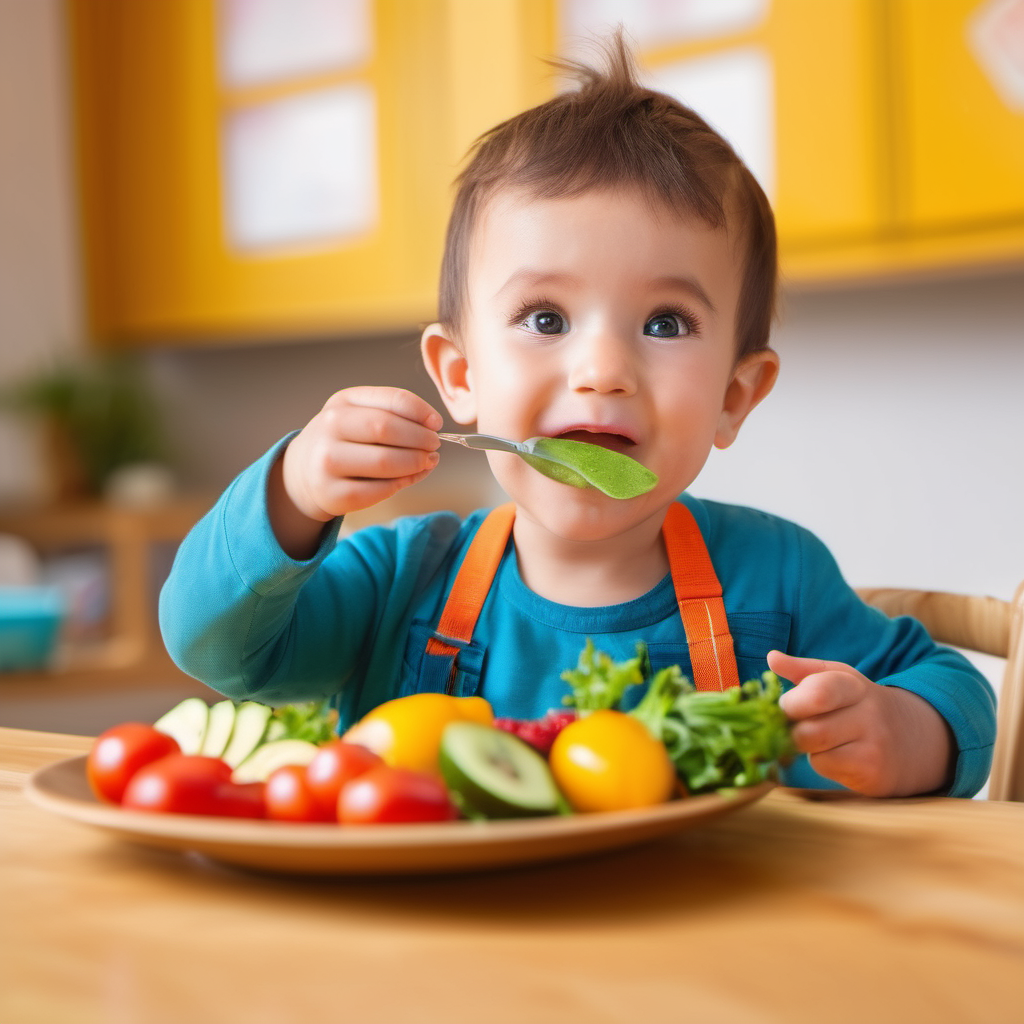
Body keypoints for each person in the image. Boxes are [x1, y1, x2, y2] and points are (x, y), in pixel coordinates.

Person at [159, 36, 995, 798]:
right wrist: (293, 491)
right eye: (546, 319)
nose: (602, 372)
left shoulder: (776, 579)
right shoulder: (401, 580)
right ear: (460, 376)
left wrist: (898, 732)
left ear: (735, 397)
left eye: (665, 323)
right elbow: (215, 645)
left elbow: (953, 692)